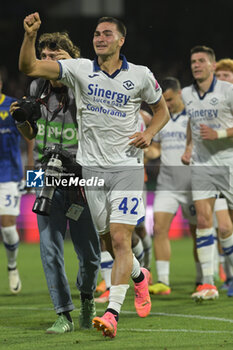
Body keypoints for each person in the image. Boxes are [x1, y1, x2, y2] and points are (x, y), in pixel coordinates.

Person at [18, 13, 170, 338]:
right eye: (97, 34)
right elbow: (30, 67)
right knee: (109, 245)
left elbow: (162, 110)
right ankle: (140, 276)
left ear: (121, 40)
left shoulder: (141, 75)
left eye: (107, 34)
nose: (100, 38)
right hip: (91, 172)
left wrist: (152, 132)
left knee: (118, 239)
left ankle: (111, 313)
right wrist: (30, 36)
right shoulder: (80, 68)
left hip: (127, 168)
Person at [11, 31, 101, 333]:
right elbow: (31, 134)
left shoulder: (85, 86)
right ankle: (63, 313)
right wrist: (22, 120)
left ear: (71, 60)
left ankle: (87, 295)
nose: (48, 62)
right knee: (49, 249)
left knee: (89, 254)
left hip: (81, 175)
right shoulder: (37, 86)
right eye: (44, 57)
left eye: (55, 57)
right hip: (44, 172)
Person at [181, 45, 233, 301]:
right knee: (203, 222)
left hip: (229, 162)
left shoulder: (228, 90)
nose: (196, 65)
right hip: (202, 164)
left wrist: (219, 134)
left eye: (201, 61)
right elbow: (192, 123)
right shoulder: (186, 93)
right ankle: (208, 283)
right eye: (193, 61)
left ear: (213, 65)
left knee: (229, 227)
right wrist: (189, 146)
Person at [144, 77, 198, 295]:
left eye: (170, 99)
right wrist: (145, 150)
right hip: (167, 184)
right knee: (159, 229)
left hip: (193, 185)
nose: (167, 104)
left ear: (179, 94)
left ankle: (204, 277)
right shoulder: (161, 119)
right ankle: (163, 282)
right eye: (163, 101)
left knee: (198, 232)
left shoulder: (192, 118)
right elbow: (156, 150)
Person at [0, 71, 33, 294]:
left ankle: (12, 265)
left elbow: (31, 137)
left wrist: (30, 173)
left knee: (8, 226)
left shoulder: (12, 106)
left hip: (9, 175)